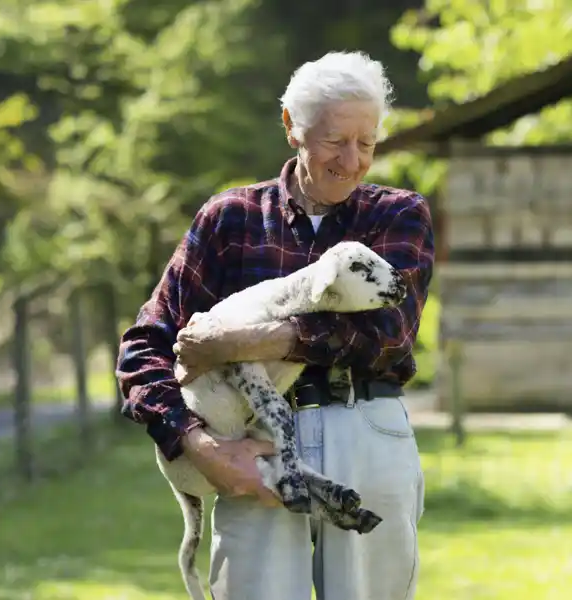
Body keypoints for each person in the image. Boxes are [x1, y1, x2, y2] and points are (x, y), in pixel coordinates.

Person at [116, 50, 435, 600]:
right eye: (335, 140)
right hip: (250, 445)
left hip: (366, 431)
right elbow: (145, 346)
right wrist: (198, 446)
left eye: (368, 143)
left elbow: (388, 331)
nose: (353, 161)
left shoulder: (397, 214)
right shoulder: (230, 218)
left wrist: (246, 343)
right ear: (292, 127)